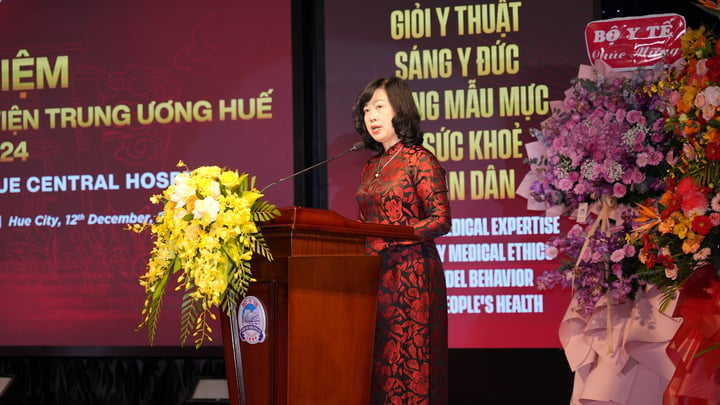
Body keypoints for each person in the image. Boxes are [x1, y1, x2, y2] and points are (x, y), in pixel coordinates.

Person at [353, 76, 451, 405]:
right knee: (379, 363)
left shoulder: (419, 159)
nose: (372, 116)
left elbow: (440, 219)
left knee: (411, 363)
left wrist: (392, 237)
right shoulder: (371, 166)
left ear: (401, 110)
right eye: (367, 110)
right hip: (375, 277)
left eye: (380, 107)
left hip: (413, 277)